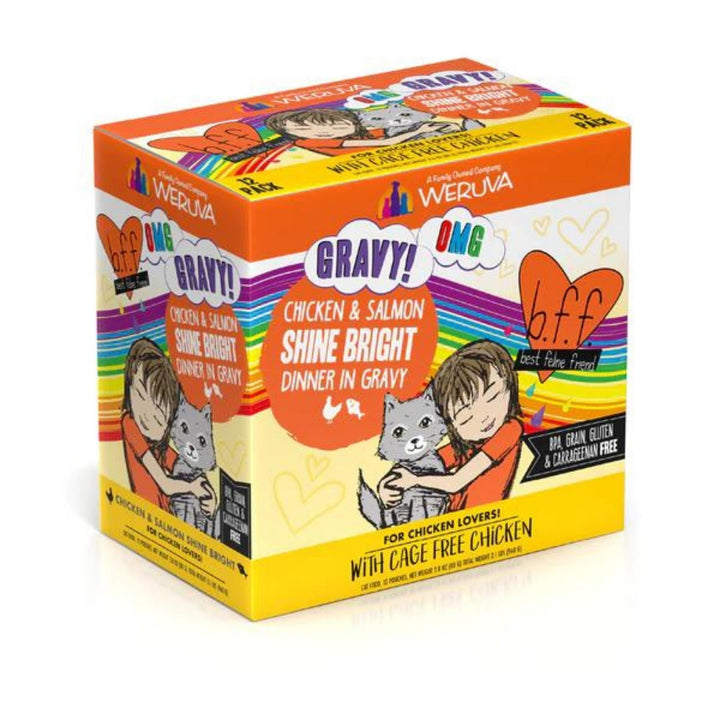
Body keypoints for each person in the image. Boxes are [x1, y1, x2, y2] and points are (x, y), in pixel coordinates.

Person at [379, 340, 523, 512]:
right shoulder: (464, 443)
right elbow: (425, 462)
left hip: (481, 518)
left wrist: (414, 480)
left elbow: (456, 482)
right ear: (451, 425)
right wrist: (387, 484)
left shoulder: (510, 430)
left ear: (509, 387)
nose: (484, 417)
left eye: (492, 396)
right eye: (466, 418)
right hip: (450, 515)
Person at [121, 338, 216, 516]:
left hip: (168, 514)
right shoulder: (130, 423)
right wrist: (192, 487)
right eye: (139, 395)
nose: (146, 416)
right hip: (147, 514)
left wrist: (208, 493)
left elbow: (182, 466)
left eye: (158, 414)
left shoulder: (160, 443)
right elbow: (165, 484)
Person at [264, 108, 447, 157]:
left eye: (334, 126)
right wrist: (420, 130)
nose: (323, 132)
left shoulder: (355, 131)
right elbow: (386, 142)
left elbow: (380, 132)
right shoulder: (307, 141)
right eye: (304, 129)